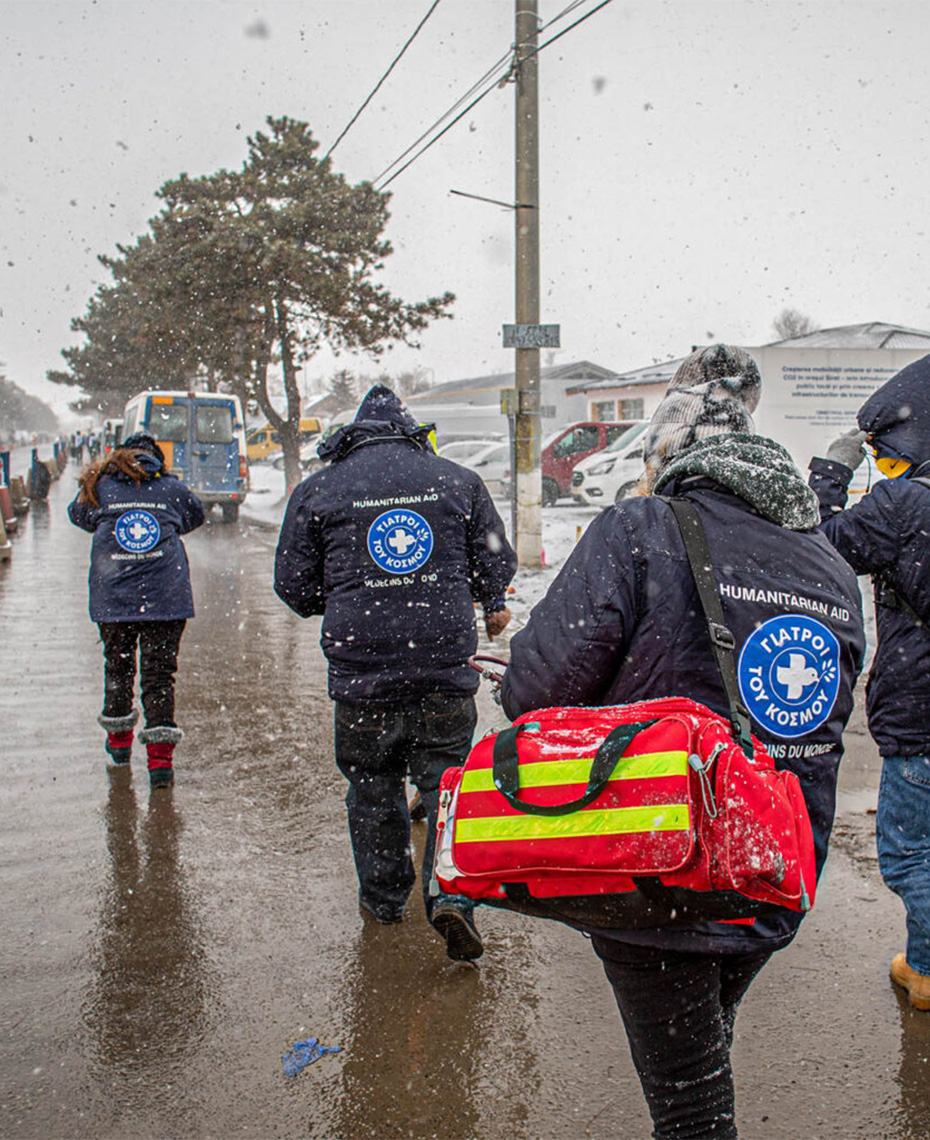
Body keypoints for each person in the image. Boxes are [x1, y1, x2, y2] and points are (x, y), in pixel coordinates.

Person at [500, 344, 865, 1139]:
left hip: (667, 863)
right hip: (776, 860)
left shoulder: (640, 527)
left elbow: (535, 691)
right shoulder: (829, 563)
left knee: (691, 1105)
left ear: (672, 454)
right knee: (703, 1042)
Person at [274, 386, 517, 961]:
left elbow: (292, 584)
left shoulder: (320, 489)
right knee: (447, 786)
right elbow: (497, 561)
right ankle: (450, 891)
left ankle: (384, 899)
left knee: (373, 785)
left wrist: (340, 600)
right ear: (413, 430)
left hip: (362, 674)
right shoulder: (457, 480)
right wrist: (483, 595)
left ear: (354, 434)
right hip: (441, 667)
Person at [810, 353, 930, 1012]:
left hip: (922, 716)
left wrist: (832, 474)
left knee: (912, 854)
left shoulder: (905, 505)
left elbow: (818, 544)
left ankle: (928, 970)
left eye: (886, 457)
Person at [68, 432, 205, 789]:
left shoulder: (102, 485)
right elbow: (194, 517)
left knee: (118, 669)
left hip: (115, 598)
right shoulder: (171, 488)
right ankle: (161, 765)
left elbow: (78, 515)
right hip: (166, 597)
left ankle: (119, 751)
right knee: (160, 677)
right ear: (156, 458)